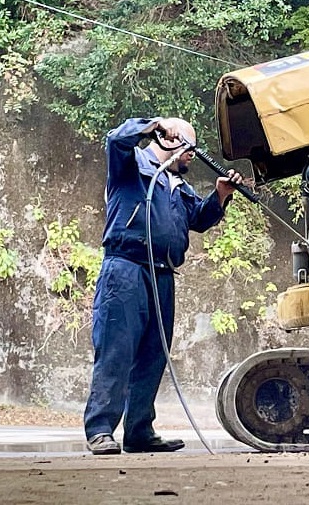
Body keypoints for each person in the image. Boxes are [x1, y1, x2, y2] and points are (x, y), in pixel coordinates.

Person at [84, 117, 243, 455]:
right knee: (116, 350)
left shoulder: (177, 185)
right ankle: (100, 430)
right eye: (189, 148)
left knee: (153, 355)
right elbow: (116, 138)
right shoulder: (131, 164)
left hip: (162, 276)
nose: (192, 156)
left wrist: (220, 195)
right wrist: (151, 125)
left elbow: (198, 219)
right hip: (125, 270)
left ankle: (139, 431)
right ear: (170, 140)